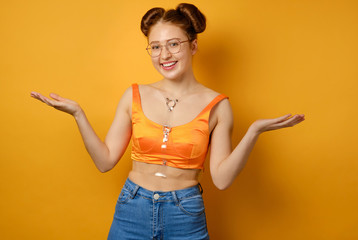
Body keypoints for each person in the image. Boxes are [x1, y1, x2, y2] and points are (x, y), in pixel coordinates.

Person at [31, 3, 305, 239]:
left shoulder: (219, 106)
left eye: (174, 44)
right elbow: (105, 161)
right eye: (156, 47)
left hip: (184, 212)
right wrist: (78, 114)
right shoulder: (133, 95)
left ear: (193, 45)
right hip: (132, 207)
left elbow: (221, 180)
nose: (164, 55)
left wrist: (254, 131)